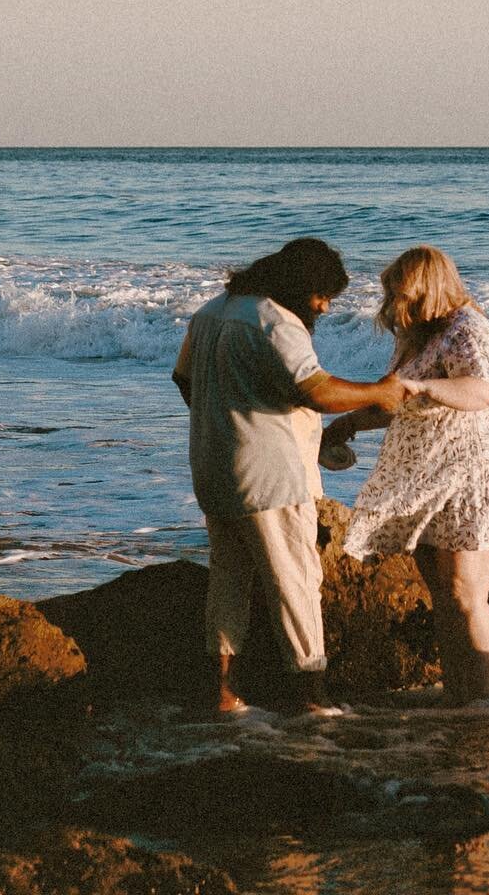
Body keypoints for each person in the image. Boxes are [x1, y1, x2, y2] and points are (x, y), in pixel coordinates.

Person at [172, 236, 412, 714]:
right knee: (295, 582)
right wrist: (378, 393)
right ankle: (310, 697)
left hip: (215, 466)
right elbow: (317, 390)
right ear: (298, 286)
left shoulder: (213, 311)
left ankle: (222, 692)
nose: (324, 305)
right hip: (272, 477)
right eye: (322, 295)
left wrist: (228, 418)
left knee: (228, 580)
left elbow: (183, 380)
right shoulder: (275, 322)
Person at [321, 245, 489, 703]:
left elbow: (485, 389)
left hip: (477, 476)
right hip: (434, 479)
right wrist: (348, 423)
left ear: (427, 288)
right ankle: (457, 694)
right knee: (443, 592)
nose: (391, 303)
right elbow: (398, 400)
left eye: (400, 293)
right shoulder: (420, 336)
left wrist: (424, 386)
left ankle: (478, 703)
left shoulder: (469, 329)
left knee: (465, 592)